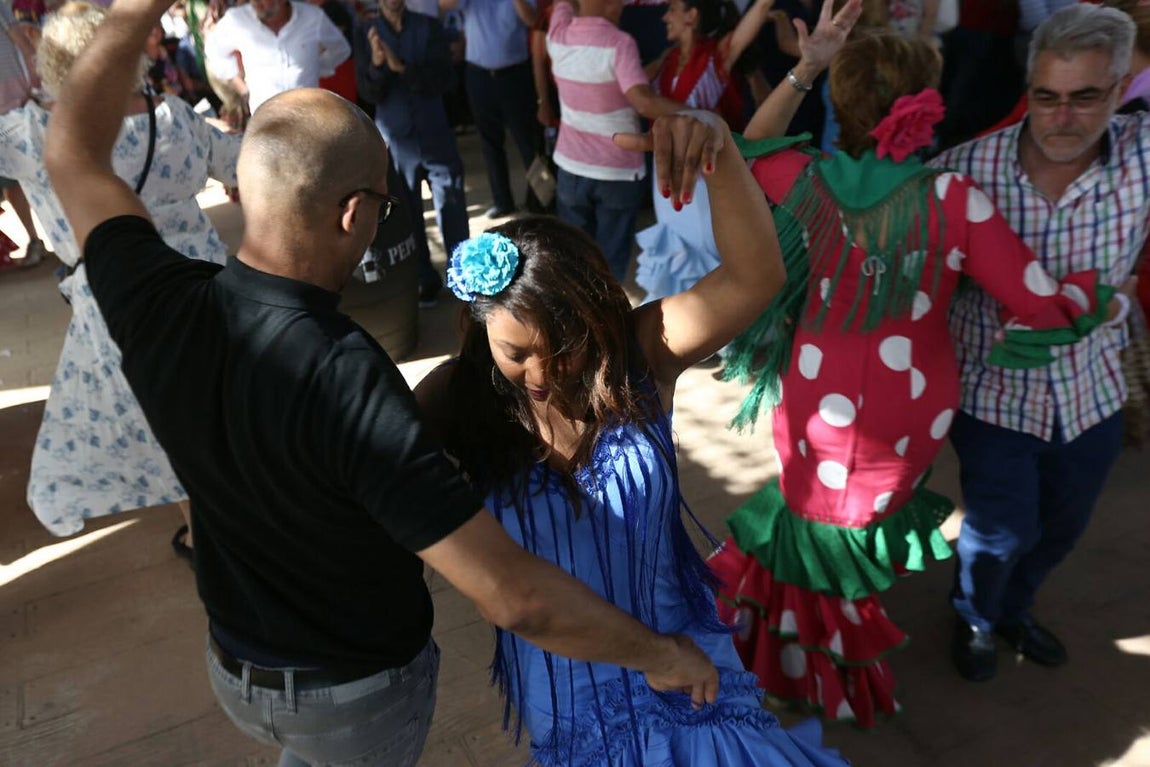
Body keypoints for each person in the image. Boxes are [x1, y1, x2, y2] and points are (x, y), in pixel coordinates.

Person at [45, 0, 725, 764]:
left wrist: (136, 10)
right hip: (351, 696)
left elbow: (72, 150)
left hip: (235, 669)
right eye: (383, 202)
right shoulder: (346, 378)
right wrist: (661, 654)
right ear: (352, 213)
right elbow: (512, 595)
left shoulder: (156, 299)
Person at [707, 27, 1123, 726]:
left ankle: (799, 663)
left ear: (846, 102)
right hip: (911, 411)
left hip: (816, 392)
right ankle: (821, 652)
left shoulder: (806, 177)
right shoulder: (957, 198)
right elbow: (1039, 305)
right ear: (927, 102)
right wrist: (1090, 292)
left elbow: (748, 144)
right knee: (852, 530)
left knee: (815, 523)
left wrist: (805, 67)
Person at [413, 108, 848, 766]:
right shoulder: (453, 397)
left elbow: (756, 278)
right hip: (567, 690)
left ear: (599, 320)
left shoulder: (640, 355)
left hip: (687, 661)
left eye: (566, 349)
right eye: (516, 350)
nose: (541, 373)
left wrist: (720, 152)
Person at [931, 4, 1146, 683]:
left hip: (1093, 393)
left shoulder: (1144, 159)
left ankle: (1011, 609)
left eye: (1085, 97)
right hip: (992, 394)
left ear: (1120, 88)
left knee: (1061, 527)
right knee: (998, 528)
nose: (1062, 117)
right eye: (1046, 96)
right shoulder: (963, 171)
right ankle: (974, 615)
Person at [4, 2, 240, 565]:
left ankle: (210, 539)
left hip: (115, 305)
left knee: (165, 427)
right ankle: (229, 525)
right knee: (217, 412)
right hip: (203, 290)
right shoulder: (177, 119)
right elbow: (242, 165)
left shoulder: (35, 134)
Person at [635, 0, 843, 303]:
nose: (665, 16)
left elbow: (757, 12)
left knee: (709, 243)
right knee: (674, 238)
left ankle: (718, 318)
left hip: (707, 176)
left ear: (693, 15)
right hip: (666, 170)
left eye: (674, 9)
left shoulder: (716, 56)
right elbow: (632, 85)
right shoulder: (669, 58)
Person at [547, 0, 683, 283]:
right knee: (610, 263)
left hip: (571, 168)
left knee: (572, 258)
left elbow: (561, 4)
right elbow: (643, 103)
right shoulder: (619, 43)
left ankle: (575, 319)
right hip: (617, 171)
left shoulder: (557, 33)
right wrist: (700, 115)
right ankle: (608, 322)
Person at [354, 0, 469, 306]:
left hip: (435, 132)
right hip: (396, 138)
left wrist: (401, 68)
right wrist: (378, 65)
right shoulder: (367, 32)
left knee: (452, 203)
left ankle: (464, 277)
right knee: (408, 211)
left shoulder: (428, 26)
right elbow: (367, 93)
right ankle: (424, 279)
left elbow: (446, 79)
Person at [438, 0, 540, 219]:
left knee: (529, 142)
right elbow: (445, 4)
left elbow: (531, 19)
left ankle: (540, 201)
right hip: (479, 75)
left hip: (515, 75)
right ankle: (503, 201)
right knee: (490, 142)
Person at [204, 0, 350, 115]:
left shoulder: (312, 18)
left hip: (308, 116)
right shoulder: (237, 20)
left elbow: (340, 49)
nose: (255, 2)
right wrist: (240, 84)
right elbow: (213, 51)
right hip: (265, 121)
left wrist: (316, 67)